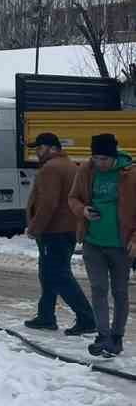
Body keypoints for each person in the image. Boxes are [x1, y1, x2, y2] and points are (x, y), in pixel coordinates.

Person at [69, 133, 136, 358]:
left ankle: (117, 337)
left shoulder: (130, 174)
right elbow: (73, 198)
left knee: (119, 291)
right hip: (93, 242)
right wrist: (83, 211)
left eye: (104, 159)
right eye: (96, 158)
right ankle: (102, 335)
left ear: (114, 156)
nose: (100, 163)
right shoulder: (86, 171)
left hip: (120, 244)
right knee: (98, 289)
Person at [23, 132, 95, 335]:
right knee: (48, 273)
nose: (37, 151)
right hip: (67, 228)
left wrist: (35, 227)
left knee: (58, 274)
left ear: (53, 148)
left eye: (40, 147)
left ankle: (86, 318)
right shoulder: (69, 165)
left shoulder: (51, 168)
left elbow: (48, 203)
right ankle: (45, 316)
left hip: (53, 230)